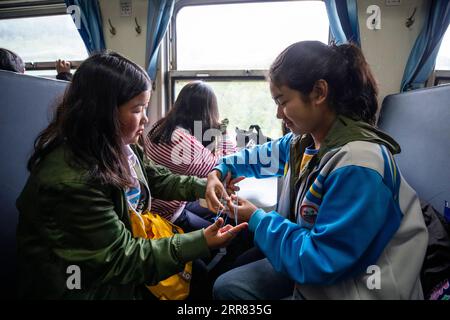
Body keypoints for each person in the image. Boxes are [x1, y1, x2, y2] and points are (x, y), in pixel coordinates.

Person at [207, 41, 428, 300]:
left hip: (354, 287)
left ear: (319, 93)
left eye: (283, 101)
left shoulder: (359, 163)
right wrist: (219, 170)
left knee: (231, 291)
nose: (278, 114)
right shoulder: (305, 143)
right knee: (228, 286)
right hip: (319, 270)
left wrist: (256, 218)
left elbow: (321, 261)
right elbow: (254, 158)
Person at [16, 51, 247, 300]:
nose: (146, 119)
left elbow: (155, 177)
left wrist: (203, 187)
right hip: (85, 286)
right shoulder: (74, 182)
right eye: (137, 109)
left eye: (145, 108)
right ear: (103, 112)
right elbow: (119, 259)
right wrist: (200, 242)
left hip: (123, 246)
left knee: (197, 275)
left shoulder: (119, 145)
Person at [146, 81, 237, 232]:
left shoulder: (162, 126)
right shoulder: (181, 141)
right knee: (227, 226)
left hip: (166, 201)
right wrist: (223, 131)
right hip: (168, 212)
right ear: (207, 111)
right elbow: (223, 169)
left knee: (224, 210)